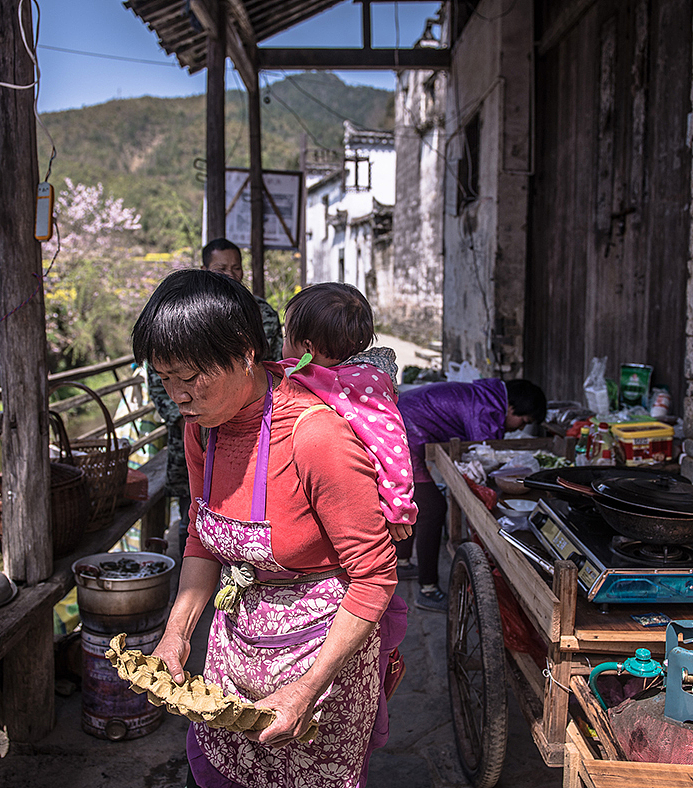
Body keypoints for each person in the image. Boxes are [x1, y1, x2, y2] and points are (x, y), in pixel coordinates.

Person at [133, 269, 406, 788]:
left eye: (190, 377)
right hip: (235, 649)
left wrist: (307, 689)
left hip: (321, 665)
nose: (178, 396)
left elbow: (374, 577)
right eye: (165, 379)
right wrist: (175, 636)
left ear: (243, 350)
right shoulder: (202, 432)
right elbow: (202, 539)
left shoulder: (315, 437)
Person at [147, 239, 283, 554]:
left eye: (236, 268)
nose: (231, 275)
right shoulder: (178, 319)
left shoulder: (260, 312)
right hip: (199, 424)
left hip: (251, 426)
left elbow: (270, 367)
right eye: (222, 268)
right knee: (196, 514)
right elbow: (161, 382)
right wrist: (193, 413)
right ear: (205, 269)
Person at [396, 377, 547, 612]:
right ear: (511, 407)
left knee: (416, 499)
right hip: (403, 429)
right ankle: (427, 590)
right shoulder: (487, 409)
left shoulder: (489, 397)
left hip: (402, 421)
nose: (518, 428)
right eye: (523, 421)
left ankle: (403, 563)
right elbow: (482, 453)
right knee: (433, 508)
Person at [280, 283, 417, 541]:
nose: (282, 343)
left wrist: (398, 504)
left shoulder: (356, 384)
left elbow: (390, 443)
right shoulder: (337, 372)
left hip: (356, 500)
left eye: (287, 336)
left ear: (308, 349)